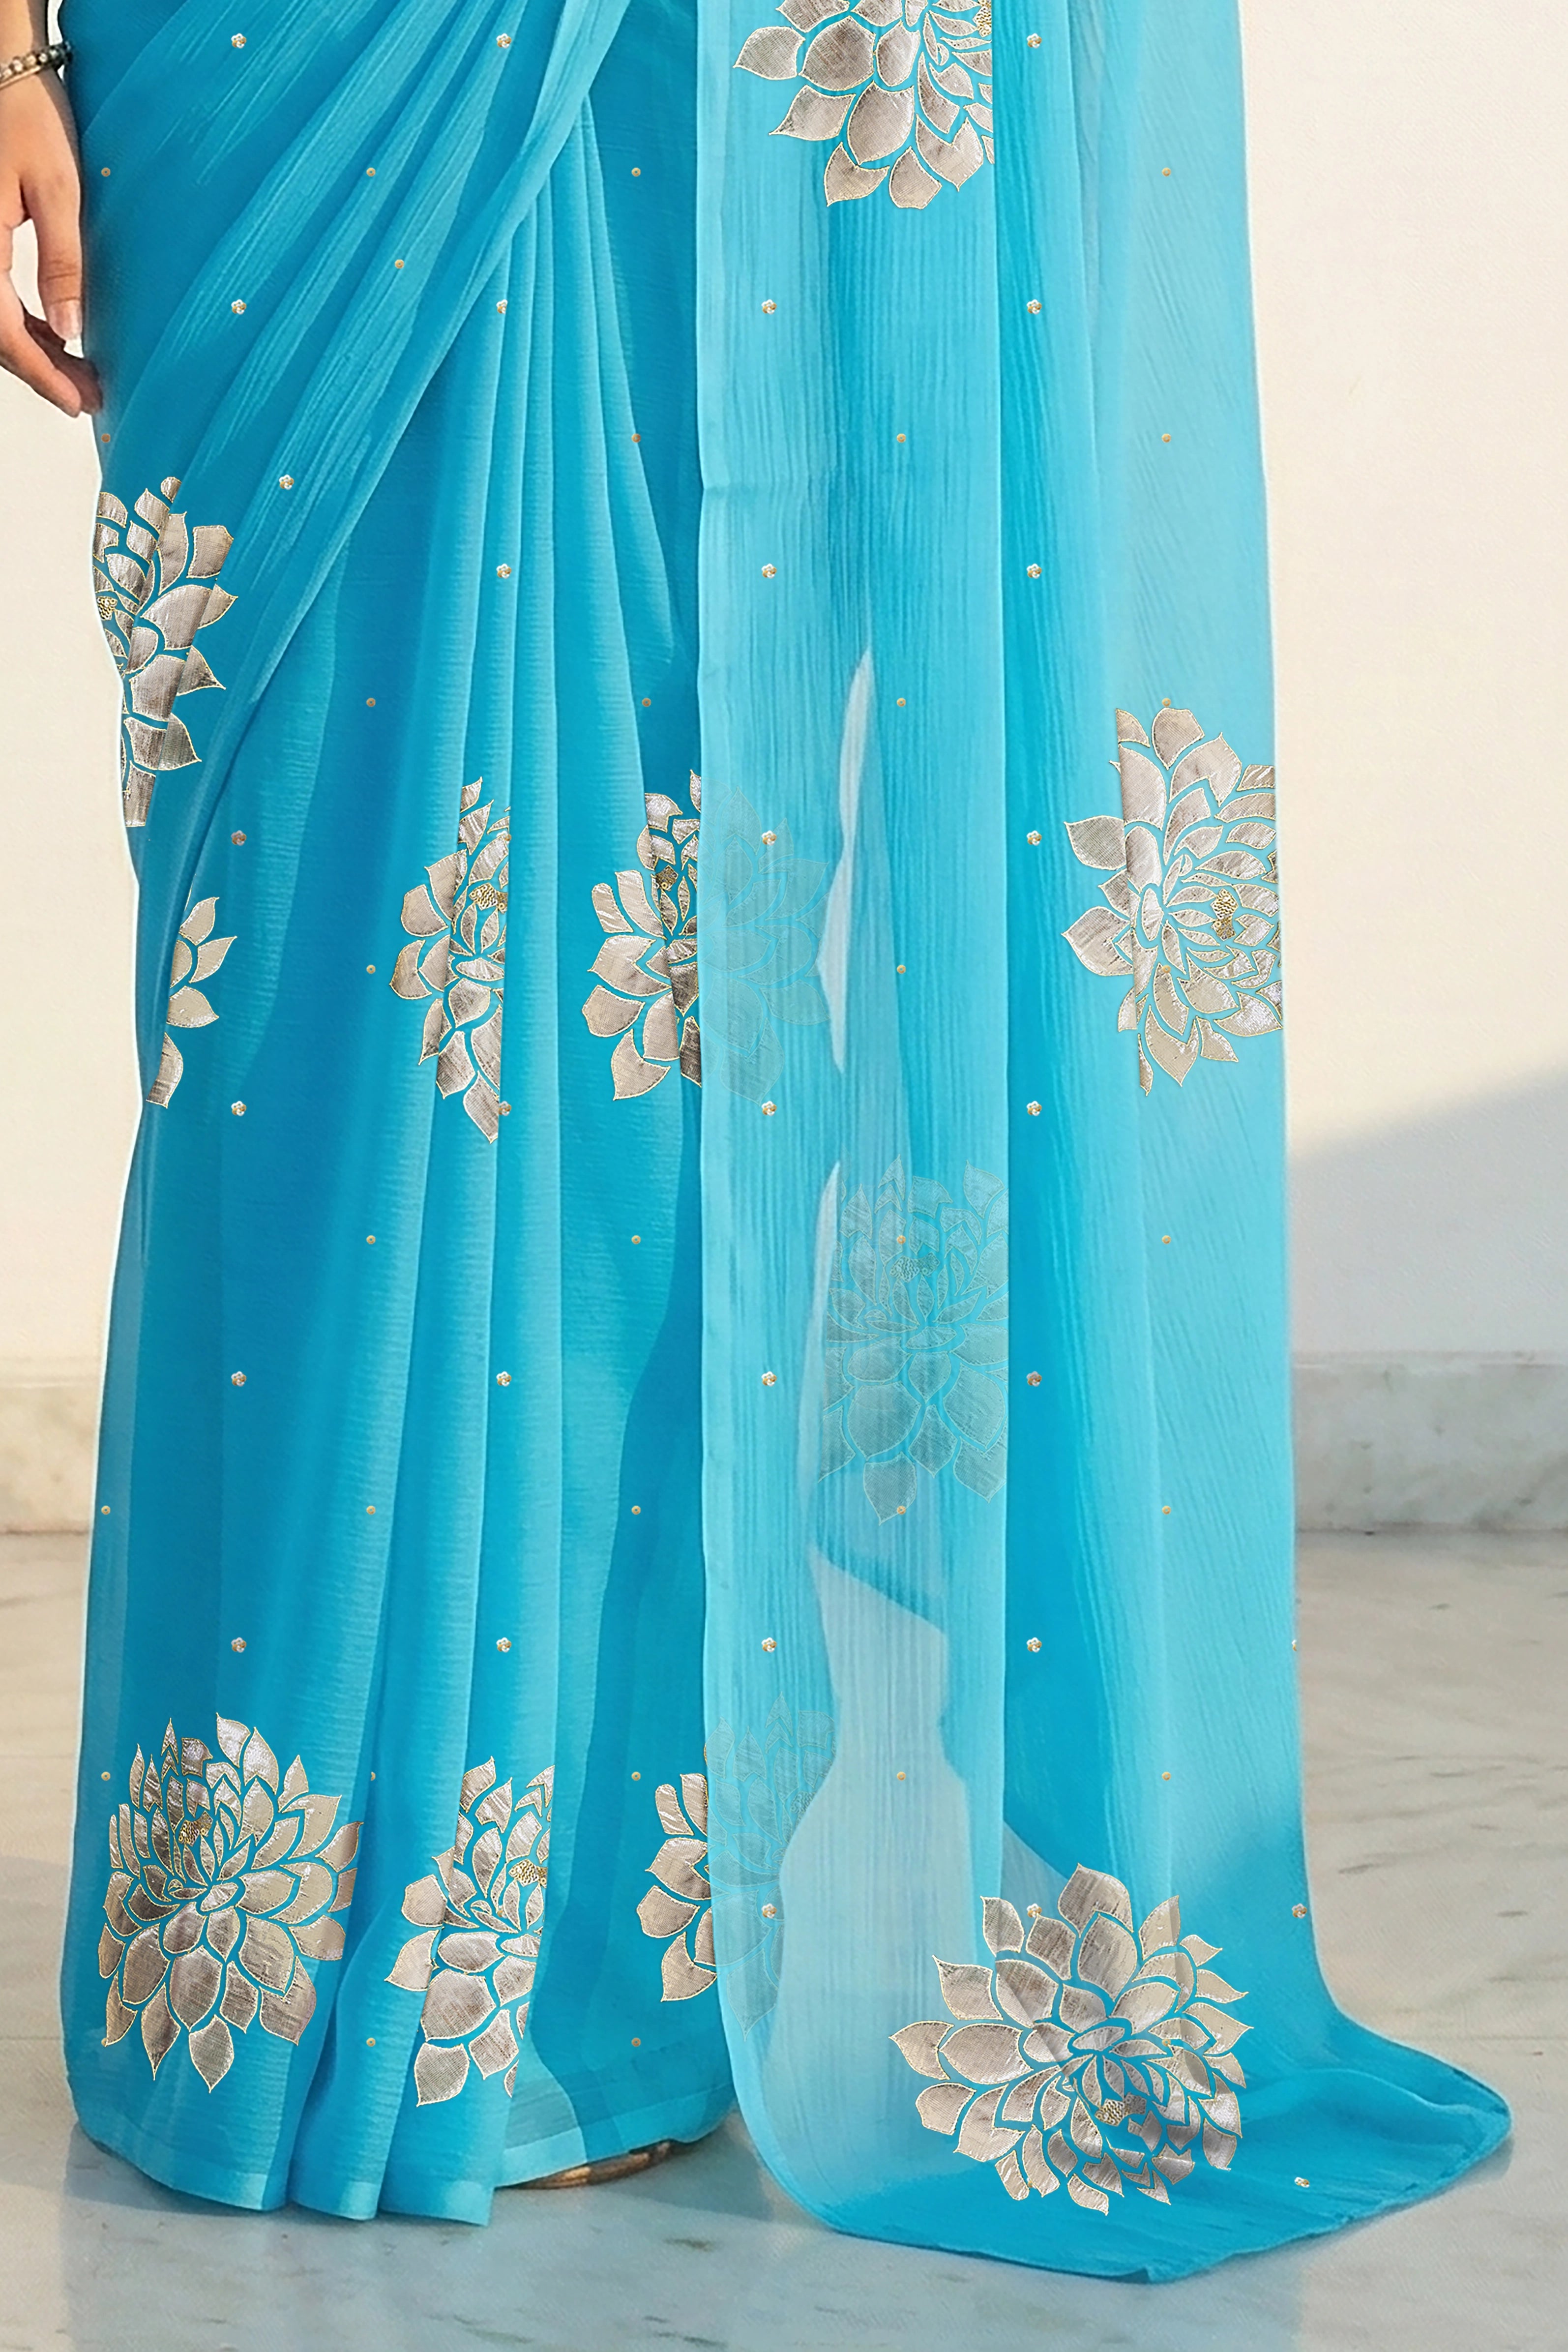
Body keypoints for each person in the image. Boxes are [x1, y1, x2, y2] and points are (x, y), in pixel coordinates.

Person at [7, 0, 1506, 2275]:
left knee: (655, 959)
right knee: (301, 963)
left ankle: (583, 1976)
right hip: (280, 68)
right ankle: (274, 1959)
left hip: (656, 71)